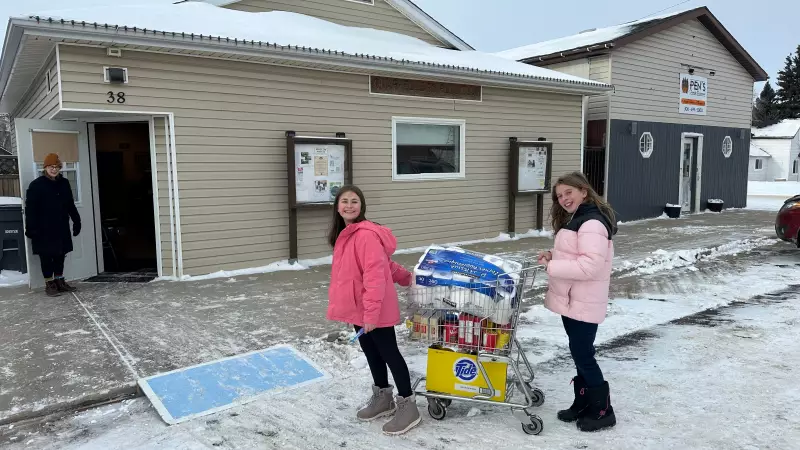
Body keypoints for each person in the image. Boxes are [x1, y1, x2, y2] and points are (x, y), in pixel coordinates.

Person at [326, 185, 420, 435]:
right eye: (344, 201)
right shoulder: (347, 234)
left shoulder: (365, 235)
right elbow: (384, 264)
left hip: (375, 309)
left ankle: (408, 405)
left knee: (389, 353)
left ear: (362, 206)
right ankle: (383, 398)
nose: (349, 206)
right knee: (372, 353)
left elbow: (375, 275)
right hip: (361, 308)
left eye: (354, 201)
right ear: (337, 206)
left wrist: (371, 315)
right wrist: (405, 277)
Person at [537, 172, 617, 432]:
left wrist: (552, 266)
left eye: (568, 192)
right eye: (560, 196)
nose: (564, 199)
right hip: (574, 300)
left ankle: (603, 411)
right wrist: (553, 254)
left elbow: (589, 266)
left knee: (583, 354)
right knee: (579, 352)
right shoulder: (579, 218)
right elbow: (576, 253)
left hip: (584, 301)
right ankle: (583, 403)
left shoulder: (592, 222)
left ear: (584, 191)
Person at [25, 153, 81, 297]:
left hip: (61, 226)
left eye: (57, 167)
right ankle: (49, 284)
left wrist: (77, 221)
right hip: (43, 228)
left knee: (60, 254)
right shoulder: (36, 185)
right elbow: (30, 209)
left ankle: (59, 281)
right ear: (45, 167)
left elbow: (70, 204)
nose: (54, 169)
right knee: (46, 256)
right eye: (51, 166)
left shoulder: (64, 183)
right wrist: (31, 229)